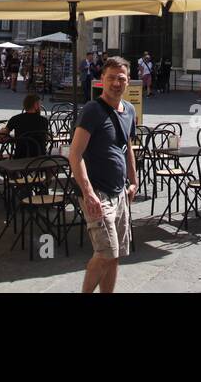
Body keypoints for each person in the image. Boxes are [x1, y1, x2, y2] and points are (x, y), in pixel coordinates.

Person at [68, 57, 137, 294]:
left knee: (115, 255)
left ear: (128, 82)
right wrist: (88, 193)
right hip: (97, 192)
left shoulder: (129, 110)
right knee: (106, 253)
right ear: (101, 81)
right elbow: (75, 155)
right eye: (111, 78)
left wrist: (134, 181)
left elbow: (127, 147)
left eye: (121, 78)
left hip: (120, 191)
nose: (116, 83)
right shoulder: (92, 110)